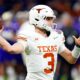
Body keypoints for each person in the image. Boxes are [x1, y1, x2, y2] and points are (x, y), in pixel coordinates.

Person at [0, 5, 80, 80]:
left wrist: (77, 47)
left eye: (52, 19)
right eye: (48, 18)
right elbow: (11, 49)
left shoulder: (56, 36)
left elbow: (71, 59)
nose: (51, 22)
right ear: (37, 19)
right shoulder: (28, 36)